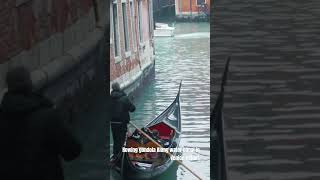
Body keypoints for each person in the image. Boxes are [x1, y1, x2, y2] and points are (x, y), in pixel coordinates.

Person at [0, 66, 82, 180]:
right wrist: (71, 121)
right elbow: (73, 151)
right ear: (30, 84)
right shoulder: (48, 116)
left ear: (9, 87)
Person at [110, 82, 135, 157]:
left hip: (113, 122)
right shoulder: (124, 98)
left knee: (115, 139)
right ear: (119, 87)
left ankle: (115, 155)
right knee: (121, 140)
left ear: (112, 88)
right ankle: (120, 156)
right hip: (122, 123)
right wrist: (130, 102)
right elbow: (133, 109)